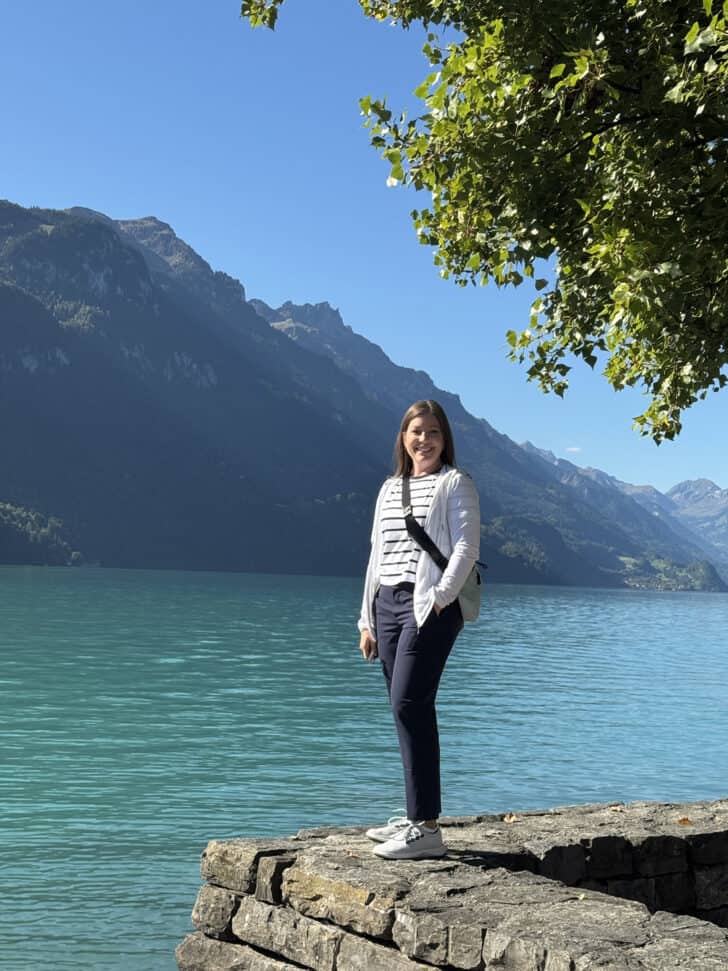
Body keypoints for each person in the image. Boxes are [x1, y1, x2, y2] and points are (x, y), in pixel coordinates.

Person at [357, 399, 480, 860]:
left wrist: (441, 598)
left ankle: (427, 827)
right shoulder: (390, 488)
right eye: (416, 432)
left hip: (428, 604)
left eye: (432, 432)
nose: (423, 440)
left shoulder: (456, 483)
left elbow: (467, 546)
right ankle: (414, 817)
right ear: (403, 438)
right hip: (386, 604)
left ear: (444, 439)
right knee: (402, 707)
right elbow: (376, 555)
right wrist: (366, 618)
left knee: (411, 701)